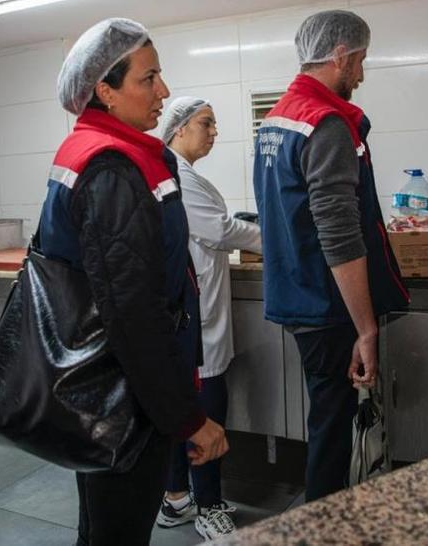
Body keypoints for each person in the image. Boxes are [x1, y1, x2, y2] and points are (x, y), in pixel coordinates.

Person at [43, 18, 228, 546]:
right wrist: (188, 420)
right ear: (105, 89)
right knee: (117, 531)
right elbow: (132, 314)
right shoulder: (110, 169)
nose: (163, 92)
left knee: (105, 527)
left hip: (119, 385)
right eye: (148, 79)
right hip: (117, 394)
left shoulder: (121, 153)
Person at [253, 10, 410, 501]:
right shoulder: (325, 123)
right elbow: (338, 233)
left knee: (327, 418)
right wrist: (366, 329)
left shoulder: (278, 118)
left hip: (297, 293)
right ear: (340, 55)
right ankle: (323, 522)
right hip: (325, 304)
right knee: (331, 426)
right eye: (361, 62)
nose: (361, 76)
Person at [155, 96, 262, 540]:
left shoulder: (181, 174)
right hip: (196, 319)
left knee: (185, 409)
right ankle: (209, 507)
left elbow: (216, 226)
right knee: (206, 411)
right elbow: (218, 229)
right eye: (206, 123)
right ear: (179, 128)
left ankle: (177, 497)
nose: (214, 132)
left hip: (193, 314)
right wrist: (275, 238)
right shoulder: (179, 175)